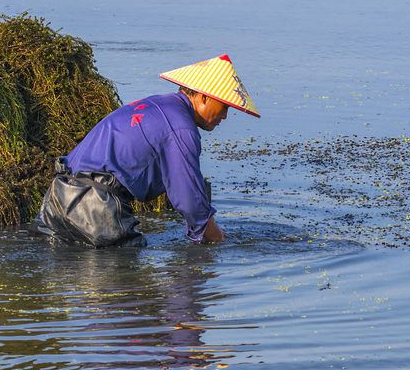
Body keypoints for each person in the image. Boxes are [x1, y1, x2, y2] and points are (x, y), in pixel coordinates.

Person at [34, 55, 259, 247]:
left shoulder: (158, 105)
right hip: (95, 206)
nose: (225, 116)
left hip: (60, 193)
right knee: (126, 281)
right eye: (224, 106)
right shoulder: (181, 128)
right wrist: (219, 242)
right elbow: (189, 200)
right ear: (204, 97)